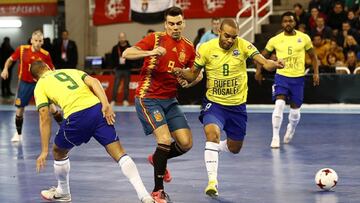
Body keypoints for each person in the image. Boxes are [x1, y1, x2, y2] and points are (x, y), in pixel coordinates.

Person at [173, 18, 284, 197]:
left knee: (235, 148)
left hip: (237, 107)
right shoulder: (206, 48)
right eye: (227, 36)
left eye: (234, 37)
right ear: (219, 32)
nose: (231, 40)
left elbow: (264, 62)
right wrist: (180, 71)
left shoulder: (243, 45)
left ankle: (215, 147)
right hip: (214, 104)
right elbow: (193, 74)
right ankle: (212, 181)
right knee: (211, 133)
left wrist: (274, 64)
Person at [30, 60, 154, 203]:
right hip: (97, 109)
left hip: (77, 116)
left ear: (35, 79)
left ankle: (63, 192)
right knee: (119, 153)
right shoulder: (71, 71)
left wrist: (44, 150)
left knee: (58, 150)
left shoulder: (40, 85)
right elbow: (94, 82)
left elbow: (44, 115)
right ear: (49, 67)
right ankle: (145, 196)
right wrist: (106, 104)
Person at [122, 6, 194, 202]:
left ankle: (157, 159)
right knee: (163, 140)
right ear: (165, 24)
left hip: (170, 100)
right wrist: (151, 52)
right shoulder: (155, 39)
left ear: (183, 23)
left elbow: (195, 74)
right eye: (171, 24)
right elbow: (127, 53)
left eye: (178, 23)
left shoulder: (188, 47)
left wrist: (187, 79)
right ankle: (158, 191)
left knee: (186, 143)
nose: (175, 27)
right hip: (148, 98)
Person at [255, 11, 320, 148]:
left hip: (298, 79)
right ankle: (275, 136)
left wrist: (316, 73)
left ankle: (291, 127)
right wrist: (258, 70)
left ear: (294, 22)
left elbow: (313, 56)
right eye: (285, 21)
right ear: (282, 23)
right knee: (279, 105)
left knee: (295, 111)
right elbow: (261, 56)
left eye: (290, 21)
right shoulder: (275, 39)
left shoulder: (304, 38)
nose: (288, 23)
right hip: (281, 77)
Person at [0, 30, 63, 142]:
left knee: (52, 108)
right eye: (36, 40)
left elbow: (52, 69)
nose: (38, 43)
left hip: (41, 83)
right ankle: (18, 134)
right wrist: (5, 69)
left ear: (43, 41)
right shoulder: (22, 49)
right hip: (25, 83)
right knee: (20, 109)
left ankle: (64, 129)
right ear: (31, 40)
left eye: (40, 41)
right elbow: (10, 60)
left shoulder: (45, 54)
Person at [110, 32, 133, 106]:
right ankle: (113, 100)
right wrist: (114, 67)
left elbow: (133, 58)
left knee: (126, 85)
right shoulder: (115, 48)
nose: (121, 39)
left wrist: (130, 65)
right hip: (118, 69)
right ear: (118, 38)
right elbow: (112, 59)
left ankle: (125, 100)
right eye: (120, 37)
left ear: (125, 38)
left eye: (123, 37)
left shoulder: (130, 48)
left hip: (127, 69)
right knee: (116, 85)